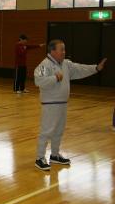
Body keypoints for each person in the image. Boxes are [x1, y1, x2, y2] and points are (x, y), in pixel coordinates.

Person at [34, 39, 107, 171]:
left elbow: (80, 69)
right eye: (61, 49)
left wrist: (96, 68)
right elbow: (38, 80)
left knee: (58, 131)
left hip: (62, 103)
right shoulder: (45, 65)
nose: (64, 52)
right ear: (52, 51)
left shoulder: (66, 64)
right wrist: (54, 78)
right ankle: (39, 158)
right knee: (47, 131)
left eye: (64, 49)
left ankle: (55, 155)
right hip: (50, 104)